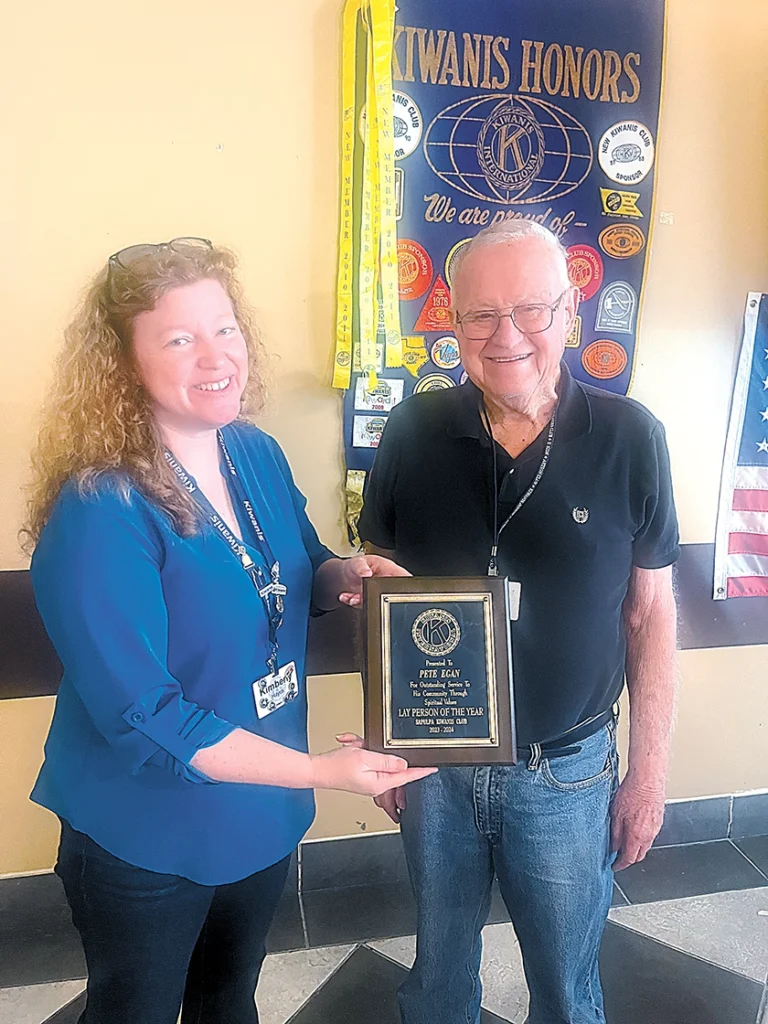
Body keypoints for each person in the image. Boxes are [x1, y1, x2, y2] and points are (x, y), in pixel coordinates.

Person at [23, 237, 434, 1024]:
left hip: (259, 811)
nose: (217, 357)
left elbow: (297, 567)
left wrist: (345, 574)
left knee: (226, 1004)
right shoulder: (100, 506)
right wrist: (324, 773)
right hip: (146, 835)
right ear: (122, 362)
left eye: (226, 328)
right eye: (179, 338)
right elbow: (148, 718)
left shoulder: (253, 450)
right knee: (134, 1012)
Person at [357, 220, 679, 1024]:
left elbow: (650, 613)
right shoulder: (411, 431)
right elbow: (379, 588)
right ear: (452, 320)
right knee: (437, 982)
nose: (506, 337)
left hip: (567, 775)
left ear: (570, 311)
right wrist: (387, 733)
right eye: (480, 315)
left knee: (568, 992)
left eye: (532, 310)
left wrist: (648, 773)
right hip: (437, 771)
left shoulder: (633, 438)